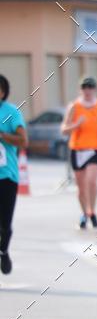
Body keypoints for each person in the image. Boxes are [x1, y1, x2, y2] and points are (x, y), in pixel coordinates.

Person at [61, 76, 97, 229]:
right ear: (81, 89)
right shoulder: (75, 107)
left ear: (94, 89)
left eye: (90, 87)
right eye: (84, 87)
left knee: (91, 181)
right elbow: (64, 130)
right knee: (81, 187)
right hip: (77, 149)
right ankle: (84, 213)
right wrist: (76, 124)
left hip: (95, 150)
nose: (87, 90)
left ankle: (92, 211)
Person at [0, 75, 28, 275]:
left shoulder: (11, 112)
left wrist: (2, 136)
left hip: (7, 176)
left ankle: (3, 251)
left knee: (5, 224)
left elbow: (23, 140)